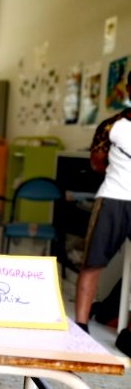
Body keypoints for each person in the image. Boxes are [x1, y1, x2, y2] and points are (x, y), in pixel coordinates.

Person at [74, 71, 131, 357]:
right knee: (93, 263)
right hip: (113, 199)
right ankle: (80, 328)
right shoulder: (111, 126)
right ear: (129, 89)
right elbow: (96, 163)